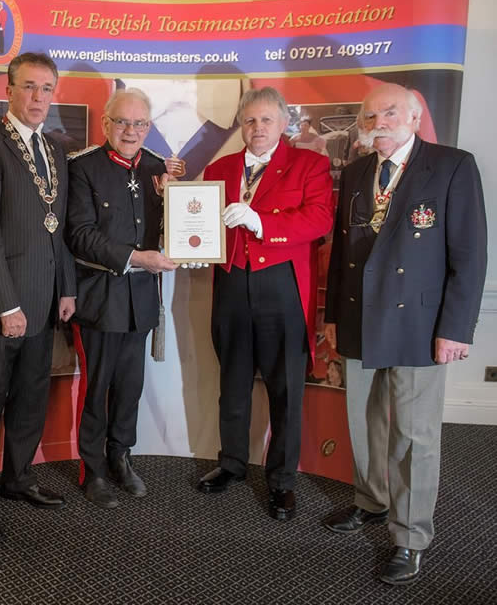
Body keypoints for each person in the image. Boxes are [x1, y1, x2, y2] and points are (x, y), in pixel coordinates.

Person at [323, 83, 487, 585]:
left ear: (415, 117)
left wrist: (456, 329)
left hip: (420, 325)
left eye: (389, 112)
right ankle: (371, 501)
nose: (377, 122)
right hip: (358, 319)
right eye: (369, 115)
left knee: (415, 437)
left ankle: (411, 535)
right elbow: (341, 255)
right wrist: (332, 316)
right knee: (364, 424)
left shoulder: (453, 165)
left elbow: (470, 255)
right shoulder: (354, 172)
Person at [198, 87, 334, 521]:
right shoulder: (220, 167)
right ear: (241, 124)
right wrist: (193, 245)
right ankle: (232, 464)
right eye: (250, 121)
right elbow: (199, 221)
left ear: (283, 124)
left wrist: (262, 221)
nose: (257, 129)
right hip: (232, 284)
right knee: (233, 384)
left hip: (283, 286)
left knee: (286, 390)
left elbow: (320, 219)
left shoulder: (310, 164)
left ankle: (281, 482)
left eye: (266, 121)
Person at [0, 53, 76, 543]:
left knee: (30, 398)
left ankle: (18, 478)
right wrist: (6, 306)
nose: (37, 98)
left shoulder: (54, 151)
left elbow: (59, 228)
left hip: (45, 299)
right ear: (9, 90)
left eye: (45, 89)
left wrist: (66, 286)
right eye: (28, 87)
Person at [66, 88, 178, 509]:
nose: (131, 131)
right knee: (97, 389)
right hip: (99, 298)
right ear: (105, 124)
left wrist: (177, 211)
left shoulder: (156, 169)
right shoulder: (83, 168)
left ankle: (120, 456)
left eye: (140, 124)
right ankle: (92, 469)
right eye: (122, 122)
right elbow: (79, 234)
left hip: (141, 299)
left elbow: (171, 228)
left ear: (149, 127)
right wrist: (135, 257)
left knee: (130, 386)